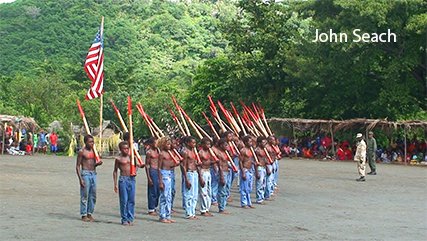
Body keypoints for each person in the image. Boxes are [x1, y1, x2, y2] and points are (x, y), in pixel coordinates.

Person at [76, 135, 102, 222]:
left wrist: (98, 163)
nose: (92, 143)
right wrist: (80, 179)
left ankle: (89, 213)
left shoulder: (94, 152)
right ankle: (83, 214)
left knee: (93, 195)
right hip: (85, 173)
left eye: (93, 142)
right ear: (85, 142)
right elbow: (77, 166)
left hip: (93, 173)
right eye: (90, 142)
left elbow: (94, 164)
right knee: (85, 195)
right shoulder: (82, 152)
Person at [113, 141, 138, 226]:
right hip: (123, 179)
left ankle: (130, 218)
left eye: (127, 148)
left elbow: (136, 165)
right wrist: (115, 184)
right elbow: (115, 171)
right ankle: (124, 219)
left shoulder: (132, 157)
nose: (126, 150)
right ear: (120, 149)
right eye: (124, 148)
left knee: (131, 200)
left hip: (131, 179)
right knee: (124, 200)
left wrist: (135, 171)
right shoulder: (118, 159)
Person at [157, 137, 178, 223]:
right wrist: (160, 181)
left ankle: (168, 215)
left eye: (170, 144)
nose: (169, 146)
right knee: (164, 196)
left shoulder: (171, 153)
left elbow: (172, 164)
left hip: (169, 173)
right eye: (167, 144)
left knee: (169, 196)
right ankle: (162, 216)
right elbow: (159, 168)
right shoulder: (161, 154)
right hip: (164, 174)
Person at [182, 136, 201, 220]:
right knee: (188, 194)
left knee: (194, 194)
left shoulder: (193, 151)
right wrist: (186, 178)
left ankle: (192, 212)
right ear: (187, 143)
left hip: (195, 172)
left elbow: (194, 162)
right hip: (189, 173)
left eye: (195, 143)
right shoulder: (185, 152)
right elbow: (183, 165)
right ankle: (188, 213)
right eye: (192, 143)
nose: (194, 144)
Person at [198, 137, 215, 216]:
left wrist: (214, 162)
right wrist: (200, 177)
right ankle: (203, 210)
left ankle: (207, 208)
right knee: (203, 192)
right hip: (203, 172)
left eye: (209, 144)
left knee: (209, 191)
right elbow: (198, 165)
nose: (208, 146)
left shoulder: (210, 152)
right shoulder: (200, 153)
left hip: (208, 171)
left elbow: (210, 161)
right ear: (202, 145)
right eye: (207, 144)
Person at [144, 137, 160, 216]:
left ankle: (155, 206)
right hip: (152, 171)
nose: (157, 144)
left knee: (158, 190)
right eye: (155, 143)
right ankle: (151, 208)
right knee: (152, 190)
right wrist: (149, 177)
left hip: (158, 171)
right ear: (151, 144)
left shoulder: (158, 151)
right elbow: (146, 165)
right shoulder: (149, 152)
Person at [215, 138, 232, 214]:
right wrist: (221, 175)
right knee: (222, 191)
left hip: (227, 172)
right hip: (222, 173)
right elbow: (219, 165)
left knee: (225, 190)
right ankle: (221, 208)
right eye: (225, 145)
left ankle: (223, 205)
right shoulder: (218, 153)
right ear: (221, 145)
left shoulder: (225, 152)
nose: (227, 146)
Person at [239, 136, 255, 208]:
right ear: (245, 143)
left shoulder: (251, 150)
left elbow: (250, 160)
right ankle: (244, 203)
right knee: (244, 187)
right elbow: (240, 162)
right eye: (250, 142)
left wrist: (254, 163)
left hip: (250, 170)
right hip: (245, 169)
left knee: (249, 188)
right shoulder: (243, 150)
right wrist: (243, 172)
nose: (251, 143)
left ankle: (249, 202)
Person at [255, 137, 270, 204]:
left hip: (263, 167)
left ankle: (262, 196)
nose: (264, 144)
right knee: (259, 183)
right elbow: (255, 161)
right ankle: (259, 199)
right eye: (263, 143)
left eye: (265, 143)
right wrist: (256, 172)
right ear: (259, 143)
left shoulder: (264, 150)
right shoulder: (256, 150)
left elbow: (265, 159)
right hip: (259, 168)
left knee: (263, 183)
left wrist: (267, 168)